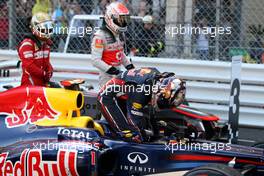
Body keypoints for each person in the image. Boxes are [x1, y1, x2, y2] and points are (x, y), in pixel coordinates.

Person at [97, 68, 186, 142]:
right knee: (130, 133)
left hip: (126, 92)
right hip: (107, 97)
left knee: (143, 125)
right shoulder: (141, 91)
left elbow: (150, 114)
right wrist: (141, 137)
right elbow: (134, 120)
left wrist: (155, 134)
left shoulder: (158, 79)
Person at [91, 2, 135, 87]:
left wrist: (130, 67)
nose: (123, 22)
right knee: (108, 97)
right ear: (110, 18)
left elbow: (120, 53)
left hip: (118, 75)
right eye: (120, 19)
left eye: (124, 19)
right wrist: (114, 71)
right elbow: (95, 60)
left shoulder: (118, 33)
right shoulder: (100, 36)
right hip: (107, 77)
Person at [17, 12, 54, 86]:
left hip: (42, 83)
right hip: (30, 85)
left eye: (48, 28)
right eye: (43, 29)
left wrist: (50, 70)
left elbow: (46, 62)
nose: (46, 31)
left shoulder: (46, 44)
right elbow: (29, 66)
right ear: (34, 28)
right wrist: (44, 73)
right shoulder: (27, 44)